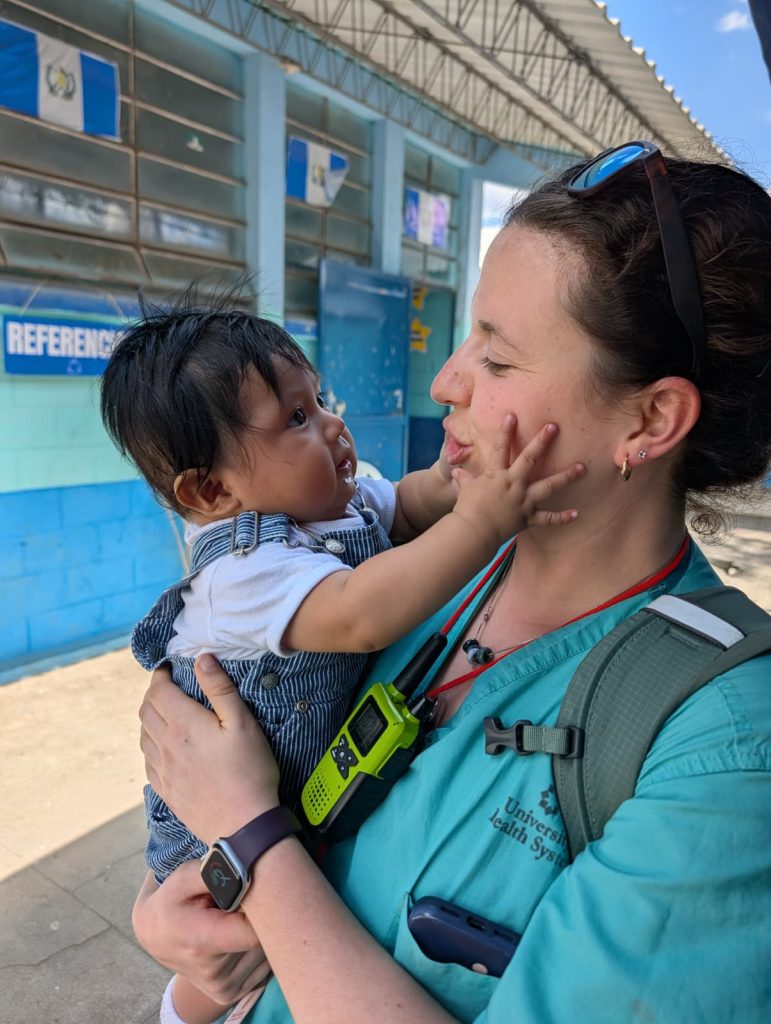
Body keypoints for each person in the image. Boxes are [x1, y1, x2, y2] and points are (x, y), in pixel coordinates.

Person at [133, 143, 771, 1024]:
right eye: (467, 336)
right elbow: (218, 817)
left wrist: (251, 841)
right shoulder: (419, 574)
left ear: (651, 419)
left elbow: (240, 815)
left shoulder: (723, 748)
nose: (445, 382)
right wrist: (172, 930)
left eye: (497, 361)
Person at [101, 300, 583, 1024]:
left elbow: (410, 505)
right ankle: (182, 1013)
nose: (332, 424)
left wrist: (458, 476)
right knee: (240, 944)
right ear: (212, 492)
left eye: (320, 399)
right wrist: (484, 521)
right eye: (296, 419)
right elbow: (360, 615)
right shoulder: (243, 573)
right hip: (207, 828)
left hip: (278, 792)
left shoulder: (334, 507)